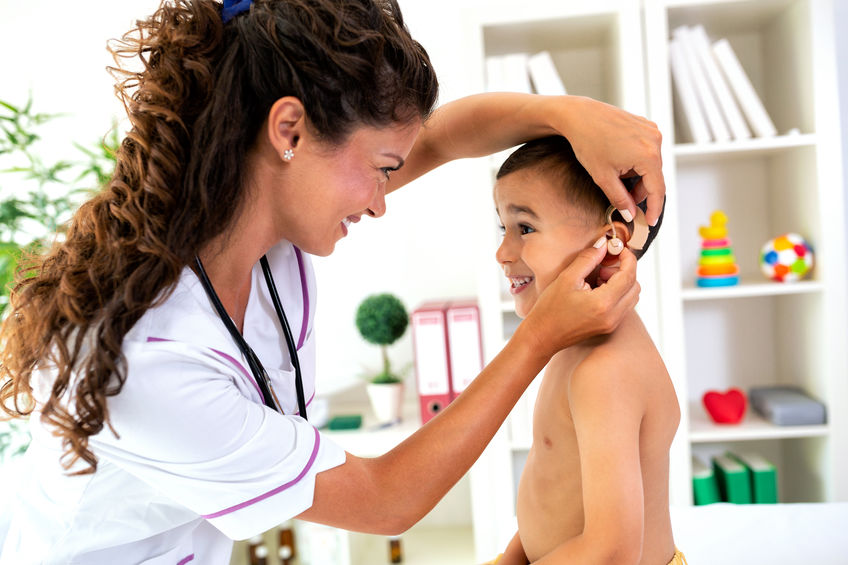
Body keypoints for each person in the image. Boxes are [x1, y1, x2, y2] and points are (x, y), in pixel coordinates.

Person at [0, 1, 664, 563]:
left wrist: (568, 116)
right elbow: (385, 498)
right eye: (381, 169)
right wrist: (536, 339)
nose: (382, 201)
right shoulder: (151, 363)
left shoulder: (257, 216)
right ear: (288, 129)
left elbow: (447, 136)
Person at [491, 135, 682, 565]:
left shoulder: (605, 371)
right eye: (502, 227)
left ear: (610, 239)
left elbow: (611, 552)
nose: (502, 252)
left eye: (525, 228)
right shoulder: (572, 343)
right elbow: (557, 499)